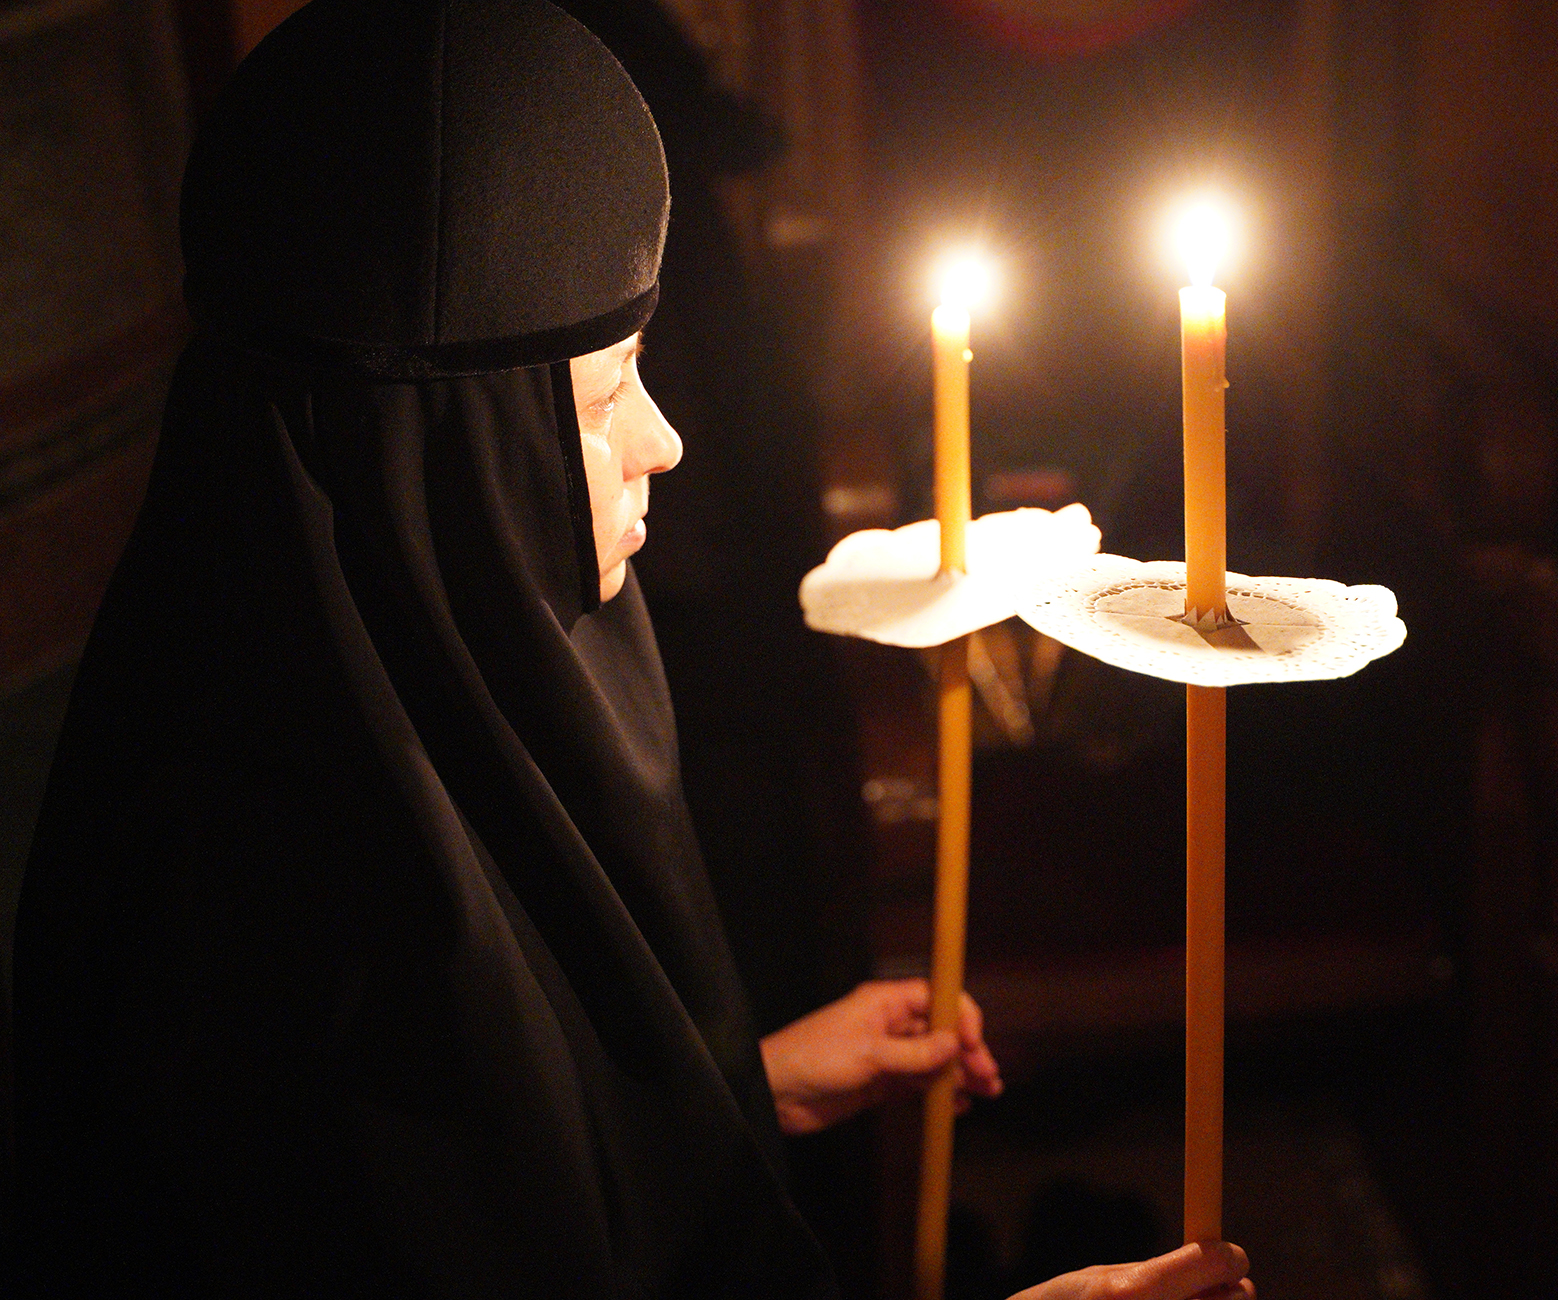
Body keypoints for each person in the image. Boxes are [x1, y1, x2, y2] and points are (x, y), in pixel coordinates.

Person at [9, 1, 1254, 1296]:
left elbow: (518, 1182)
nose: (663, 441)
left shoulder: (369, 707)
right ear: (438, 457)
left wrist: (728, 1091)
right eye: (604, 396)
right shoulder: (296, 959)